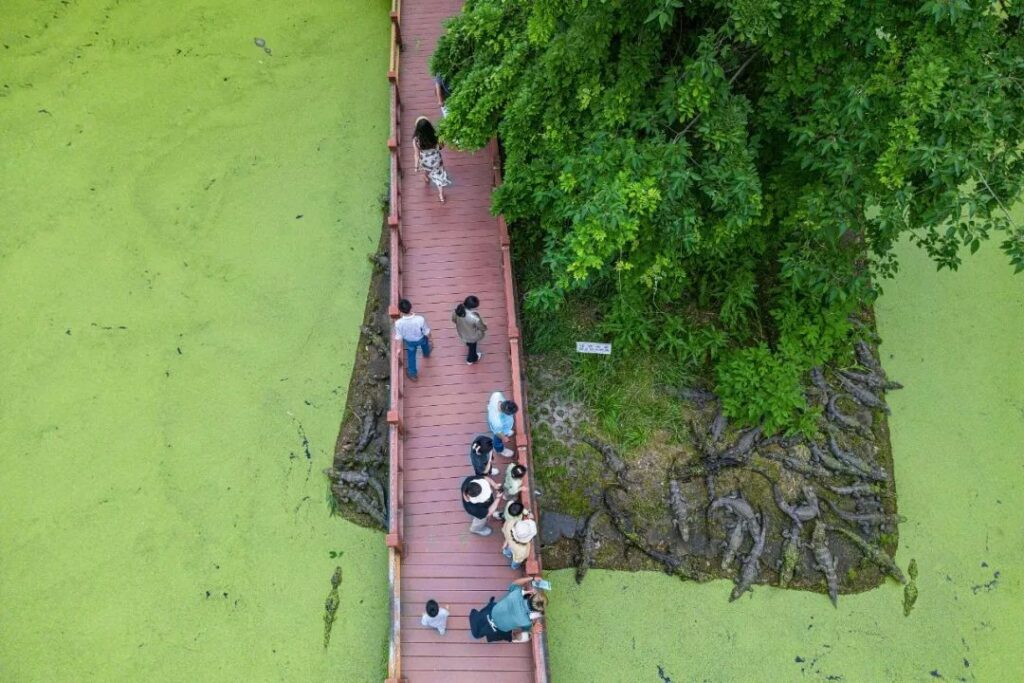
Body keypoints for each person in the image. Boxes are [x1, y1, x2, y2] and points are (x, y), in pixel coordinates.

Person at [490, 577, 547, 643]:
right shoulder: (527, 622)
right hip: (502, 628)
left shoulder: (517, 593)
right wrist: (533, 630)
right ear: (535, 611)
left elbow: (515, 583)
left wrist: (533, 578)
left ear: (531, 595)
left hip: (494, 611)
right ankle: (514, 639)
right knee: (528, 636)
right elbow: (526, 630)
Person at [412, 117, 451, 203]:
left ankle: (426, 177)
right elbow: (441, 147)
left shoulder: (416, 140)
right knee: (439, 176)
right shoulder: (436, 134)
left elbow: (416, 155)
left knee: (426, 169)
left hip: (425, 160)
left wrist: (416, 167)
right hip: (436, 159)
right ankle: (441, 195)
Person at [393, 299, 431, 382]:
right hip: (420, 338)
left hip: (410, 342)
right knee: (425, 344)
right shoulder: (420, 319)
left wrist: (398, 348)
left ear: (400, 310)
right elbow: (426, 332)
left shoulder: (398, 323)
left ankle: (412, 374)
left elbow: (399, 337)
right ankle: (427, 353)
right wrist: (431, 340)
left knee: (411, 357)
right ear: (410, 307)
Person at [451, 295, 487, 365]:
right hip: (472, 336)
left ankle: (468, 344)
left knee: (469, 343)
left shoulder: (458, 309)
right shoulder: (475, 317)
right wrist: (485, 326)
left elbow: (454, 319)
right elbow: (482, 327)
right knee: (472, 347)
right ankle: (471, 359)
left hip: (462, 332)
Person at [501, 501, 536, 570]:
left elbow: (506, 533)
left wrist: (506, 542)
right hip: (517, 549)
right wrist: (530, 517)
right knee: (516, 561)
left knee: (510, 549)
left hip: (511, 542)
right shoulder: (522, 551)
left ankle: (506, 552)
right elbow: (520, 558)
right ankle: (514, 566)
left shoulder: (510, 524)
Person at [487, 391, 518, 456]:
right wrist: (504, 438)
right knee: (497, 441)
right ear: (505, 413)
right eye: (511, 414)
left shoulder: (497, 395)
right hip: (499, 431)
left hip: (503, 427)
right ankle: (499, 450)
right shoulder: (497, 422)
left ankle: (507, 432)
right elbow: (498, 433)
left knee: (504, 433)